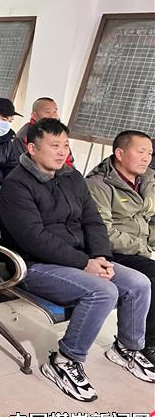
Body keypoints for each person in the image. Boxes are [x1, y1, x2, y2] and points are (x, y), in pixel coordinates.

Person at [0, 119, 154, 401]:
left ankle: (127, 348)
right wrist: (84, 263)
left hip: (79, 257)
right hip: (36, 265)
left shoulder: (72, 177)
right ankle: (65, 360)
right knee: (103, 291)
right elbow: (34, 239)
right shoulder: (16, 185)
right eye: (54, 145)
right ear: (32, 148)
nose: (62, 152)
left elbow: (93, 221)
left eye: (65, 145)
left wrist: (100, 256)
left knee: (139, 283)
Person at [86, 130, 155, 364]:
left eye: (150, 153)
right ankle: (147, 344)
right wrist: (143, 247)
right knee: (152, 275)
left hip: (140, 247)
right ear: (119, 153)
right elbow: (102, 233)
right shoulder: (99, 184)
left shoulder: (147, 180)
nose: (146, 158)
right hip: (111, 252)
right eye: (141, 152)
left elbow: (150, 220)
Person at [16, 97, 74, 166]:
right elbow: (29, 164)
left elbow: (70, 160)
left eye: (55, 112)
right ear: (34, 115)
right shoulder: (25, 135)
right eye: (48, 112)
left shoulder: (58, 132)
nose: (53, 116)